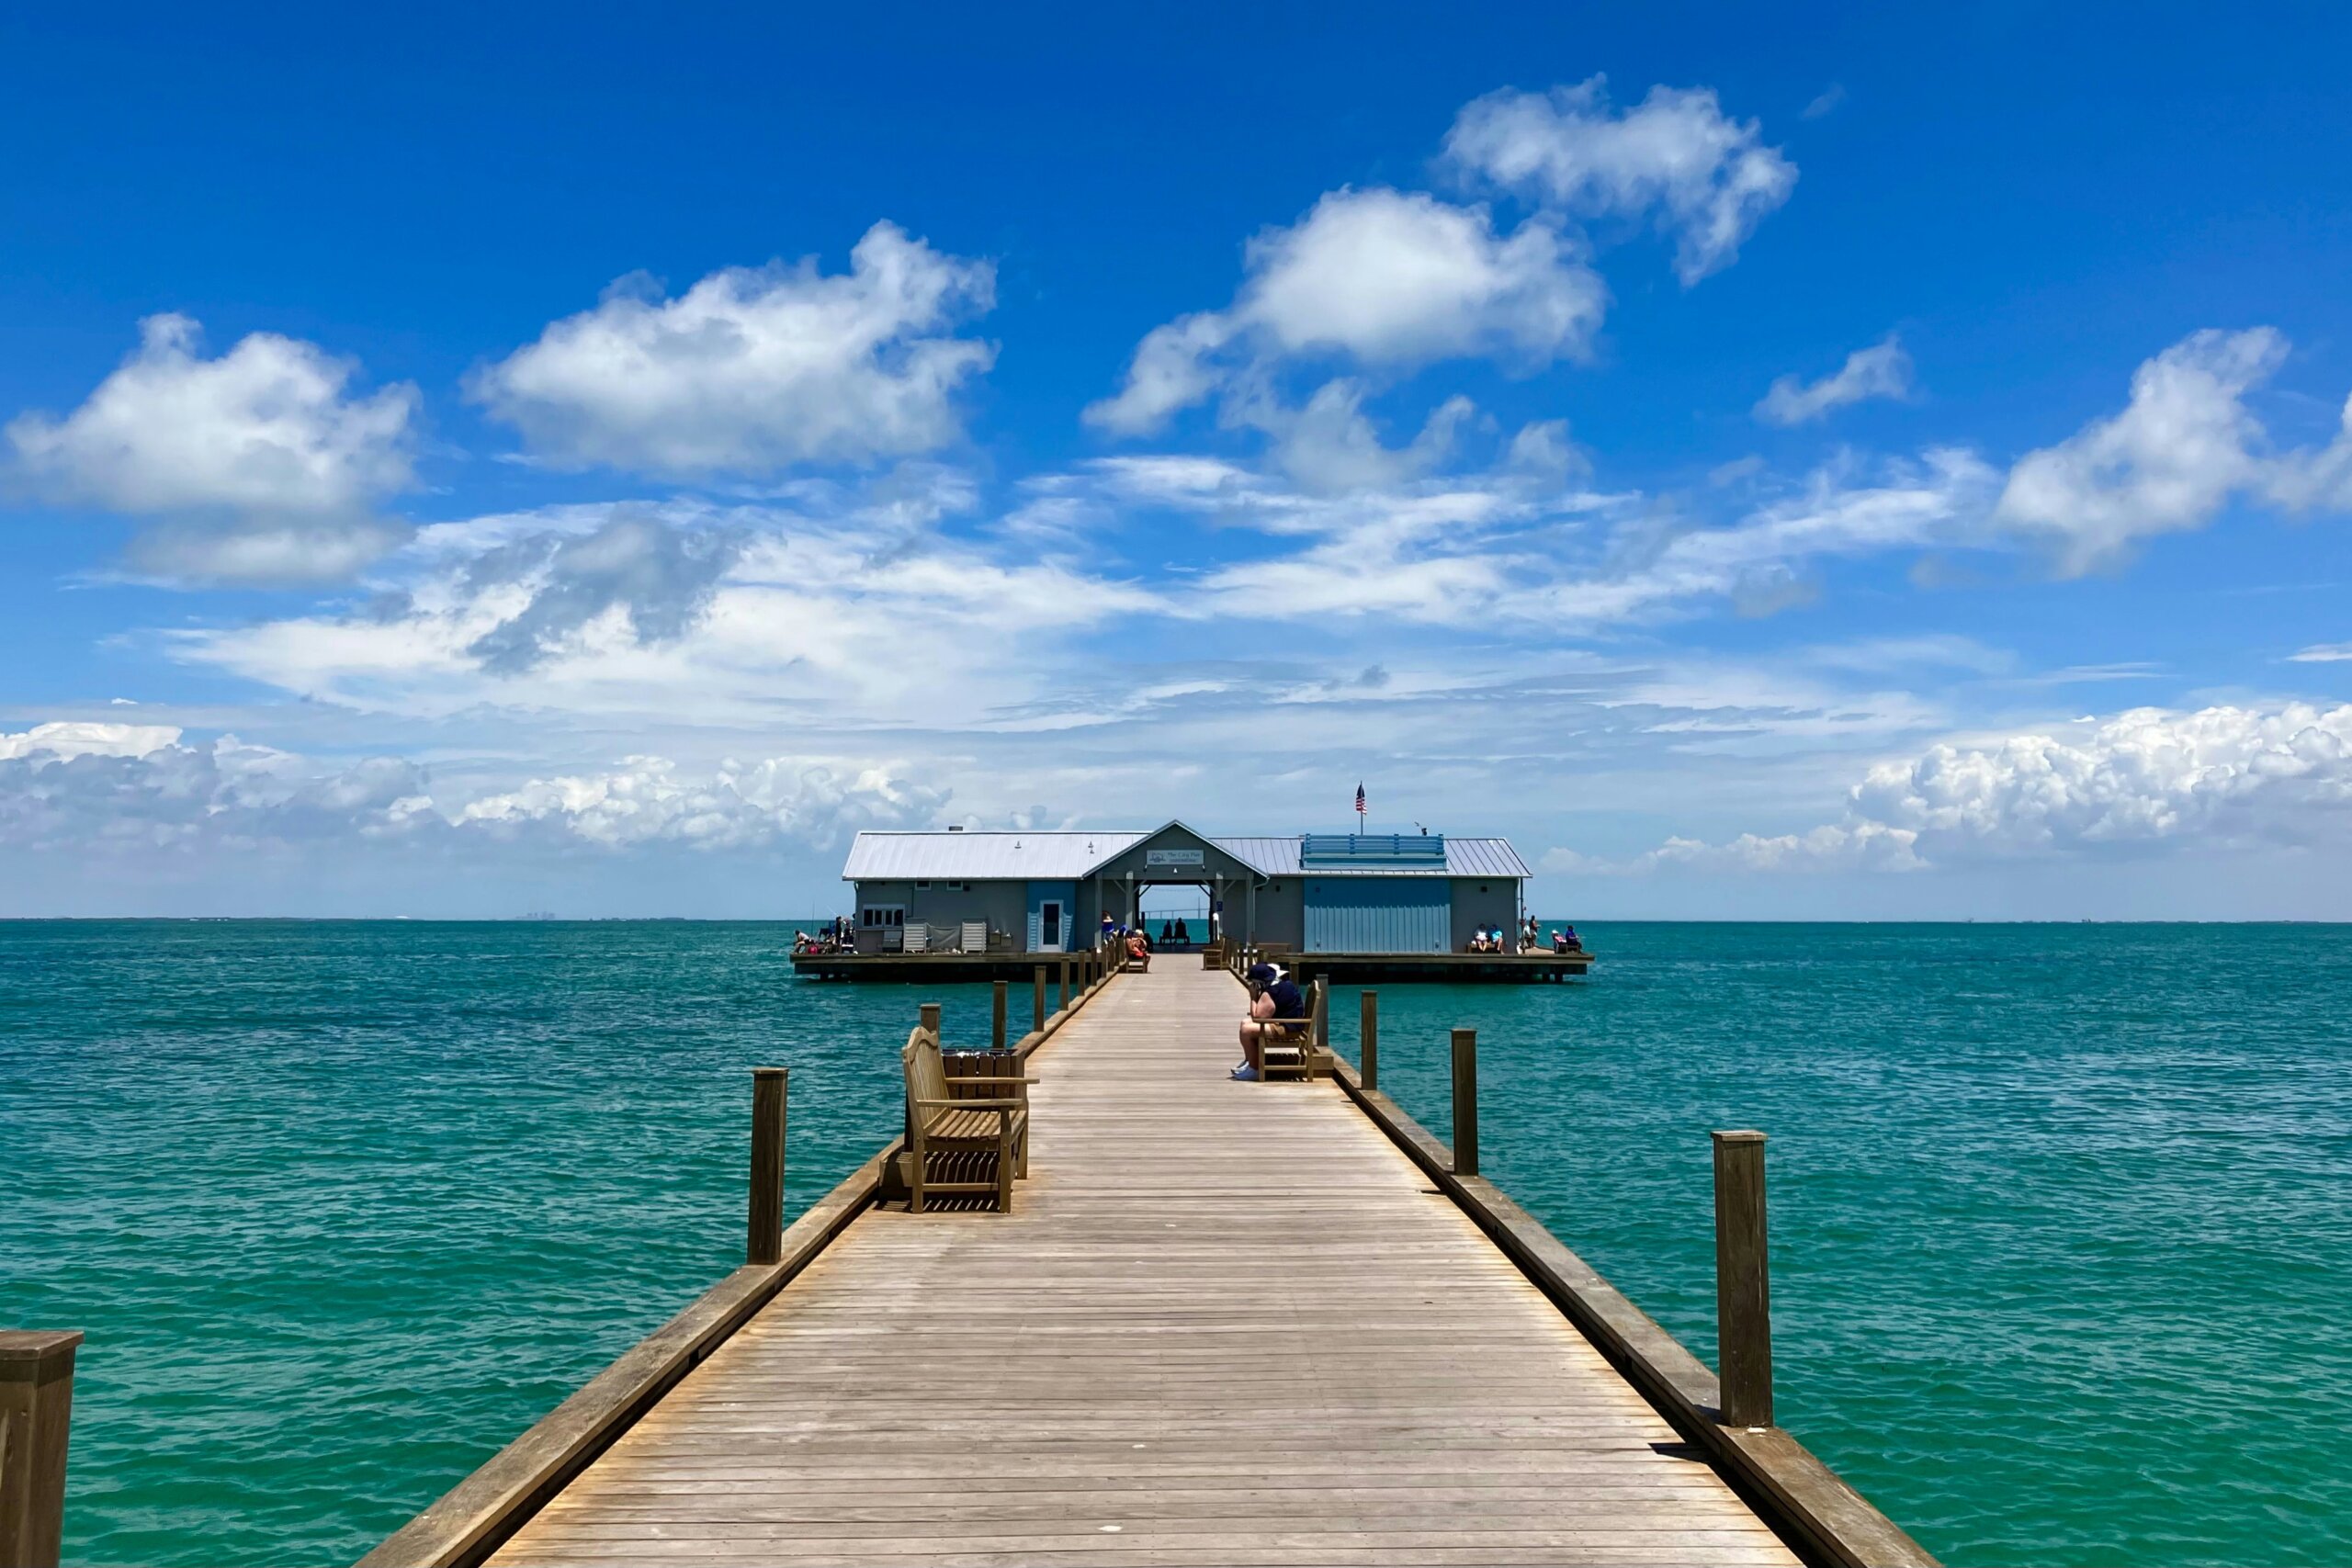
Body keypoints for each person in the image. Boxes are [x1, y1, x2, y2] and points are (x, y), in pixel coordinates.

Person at [1234, 961, 1306, 1081]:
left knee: (1246, 1030)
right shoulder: (1282, 985)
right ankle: (1250, 1061)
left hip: (1286, 1028)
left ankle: (1254, 1069)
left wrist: (1253, 997)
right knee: (1244, 1023)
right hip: (1289, 1024)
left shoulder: (1271, 992)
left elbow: (1257, 1018)